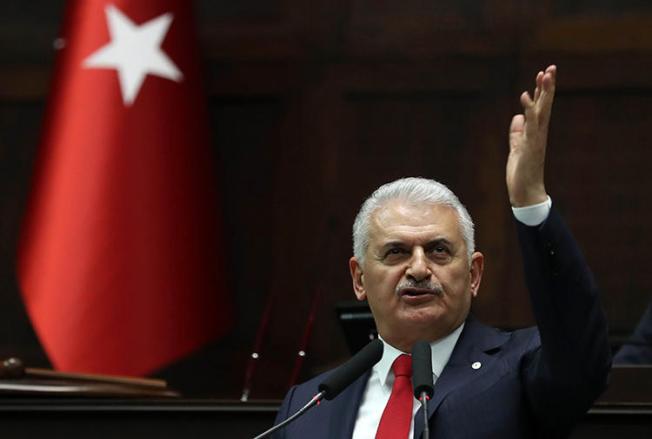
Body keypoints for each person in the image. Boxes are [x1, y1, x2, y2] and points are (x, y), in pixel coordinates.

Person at [272, 66, 611, 438]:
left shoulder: (521, 368)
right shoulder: (309, 405)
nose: (418, 268)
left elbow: (580, 353)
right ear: (359, 278)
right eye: (397, 252)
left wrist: (529, 201)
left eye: (438, 251)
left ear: (474, 275)